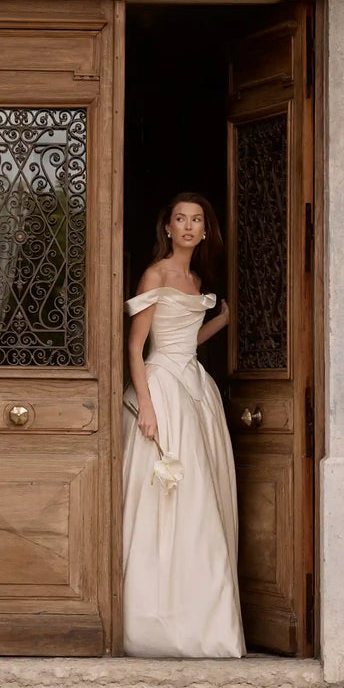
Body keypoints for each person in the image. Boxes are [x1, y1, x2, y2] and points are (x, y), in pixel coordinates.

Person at [122, 192, 245, 658]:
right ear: (168, 228)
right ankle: (154, 621)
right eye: (180, 219)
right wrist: (147, 406)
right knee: (168, 498)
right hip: (163, 389)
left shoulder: (196, 280)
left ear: (205, 230)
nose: (189, 226)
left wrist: (221, 322)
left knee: (201, 496)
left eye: (196, 220)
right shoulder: (155, 274)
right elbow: (136, 347)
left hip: (195, 389)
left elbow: (187, 341)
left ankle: (204, 621)